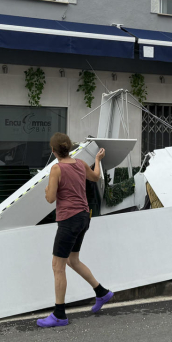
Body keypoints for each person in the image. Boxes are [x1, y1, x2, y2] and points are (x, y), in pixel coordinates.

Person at [37, 132, 114, 328]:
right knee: (72, 260)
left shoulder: (56, 168)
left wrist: (46, 191)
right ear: (69, 148)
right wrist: (97, 160)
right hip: (83, 217)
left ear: (53, 151)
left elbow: (51, 198)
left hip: (69, 220)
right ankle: (102, 292)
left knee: (57, 266)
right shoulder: (80, 164)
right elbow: (96, 177)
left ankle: (59, 315)